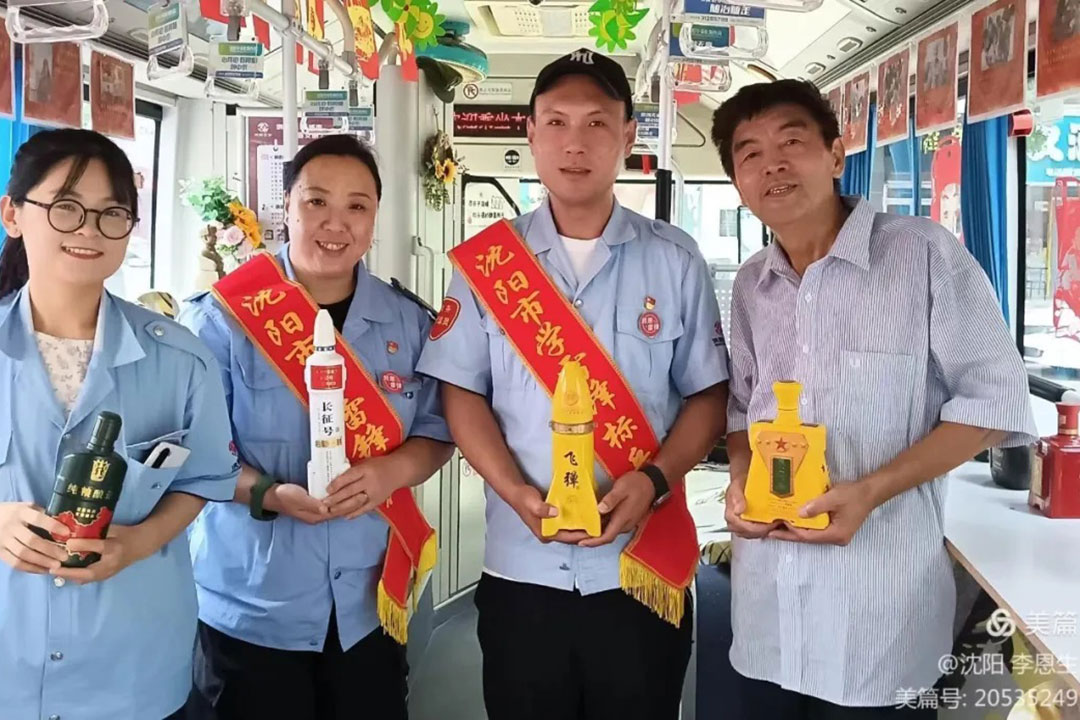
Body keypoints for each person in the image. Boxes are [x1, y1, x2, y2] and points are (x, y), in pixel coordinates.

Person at [416, 48, 729, 720]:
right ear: (530, 133)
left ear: (628, 135)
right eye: (556, 122)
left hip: (641, 568)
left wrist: (655, 480)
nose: (575, 143)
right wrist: (515, 491)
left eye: (596, 123)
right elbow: (460, 393)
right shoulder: (487, 265)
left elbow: (708, 396)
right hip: (521, 569)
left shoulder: (676, 260)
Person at [710, 79, 1038, 719]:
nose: (772, 165)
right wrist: (741, 481)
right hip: (769, 609)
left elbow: (993, 402)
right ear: (738, 183)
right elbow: (743, 411)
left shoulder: (923, 254)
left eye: (791, 143)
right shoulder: (751, 284)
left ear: (836, 156)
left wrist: (870, 491)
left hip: (879, 615)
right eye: (750, 154)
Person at [179, 133, 453, 720]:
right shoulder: (222, 319)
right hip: (253, 605)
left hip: (370, 601)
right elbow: (191, 451)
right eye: (316, 202)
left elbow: (436, 431)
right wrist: (267, 493)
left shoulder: (409, 323)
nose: (336, 223)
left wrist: (390, 472)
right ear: (287, 207)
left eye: (357, 206)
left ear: (375, 217)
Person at [0, 129, 239, 720]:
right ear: (12, 214)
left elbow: (204, 479)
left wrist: (139, 541)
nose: (89, 229)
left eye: (112, 214)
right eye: (66, 207)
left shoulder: (180, 359)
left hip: (132, 667)